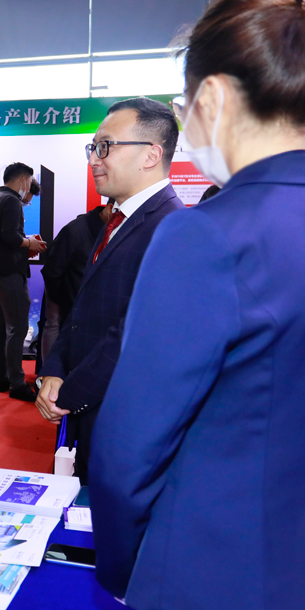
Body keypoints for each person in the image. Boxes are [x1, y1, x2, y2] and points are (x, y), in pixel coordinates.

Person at [90, 0, 305, 610]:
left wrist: (128, 570)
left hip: (220, 595)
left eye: (183, 107)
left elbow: (131, 447)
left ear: (211, 97)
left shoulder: (207, 236)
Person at [36, 97, 184, 482]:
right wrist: (54, 370)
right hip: (92, 414)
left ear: (151, 155)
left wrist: (70, 393)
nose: (93, 159)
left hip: (125, 422)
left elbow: (135, 335)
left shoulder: (173, 229)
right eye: (93, 147)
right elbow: (81, 310)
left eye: (105, 147)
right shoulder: (115, 221)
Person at [0, 162, 46, 401]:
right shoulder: (10, 201)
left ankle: (3, 377)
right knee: (17, 327)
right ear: (22, 180)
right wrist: (30, 243)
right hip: (9, 272)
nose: (29, 186)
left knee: (0, 325)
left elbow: (2, 238)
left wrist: (25, 242)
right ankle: (17, 384)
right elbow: (10, 237)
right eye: (29, 181)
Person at [40, 202, 110, 345]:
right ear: (109, 210)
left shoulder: (113, 231)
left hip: (87, 300)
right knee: (54, 325)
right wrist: (60, 298)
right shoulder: (74, 231)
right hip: (66, 295)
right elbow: (52, 271)